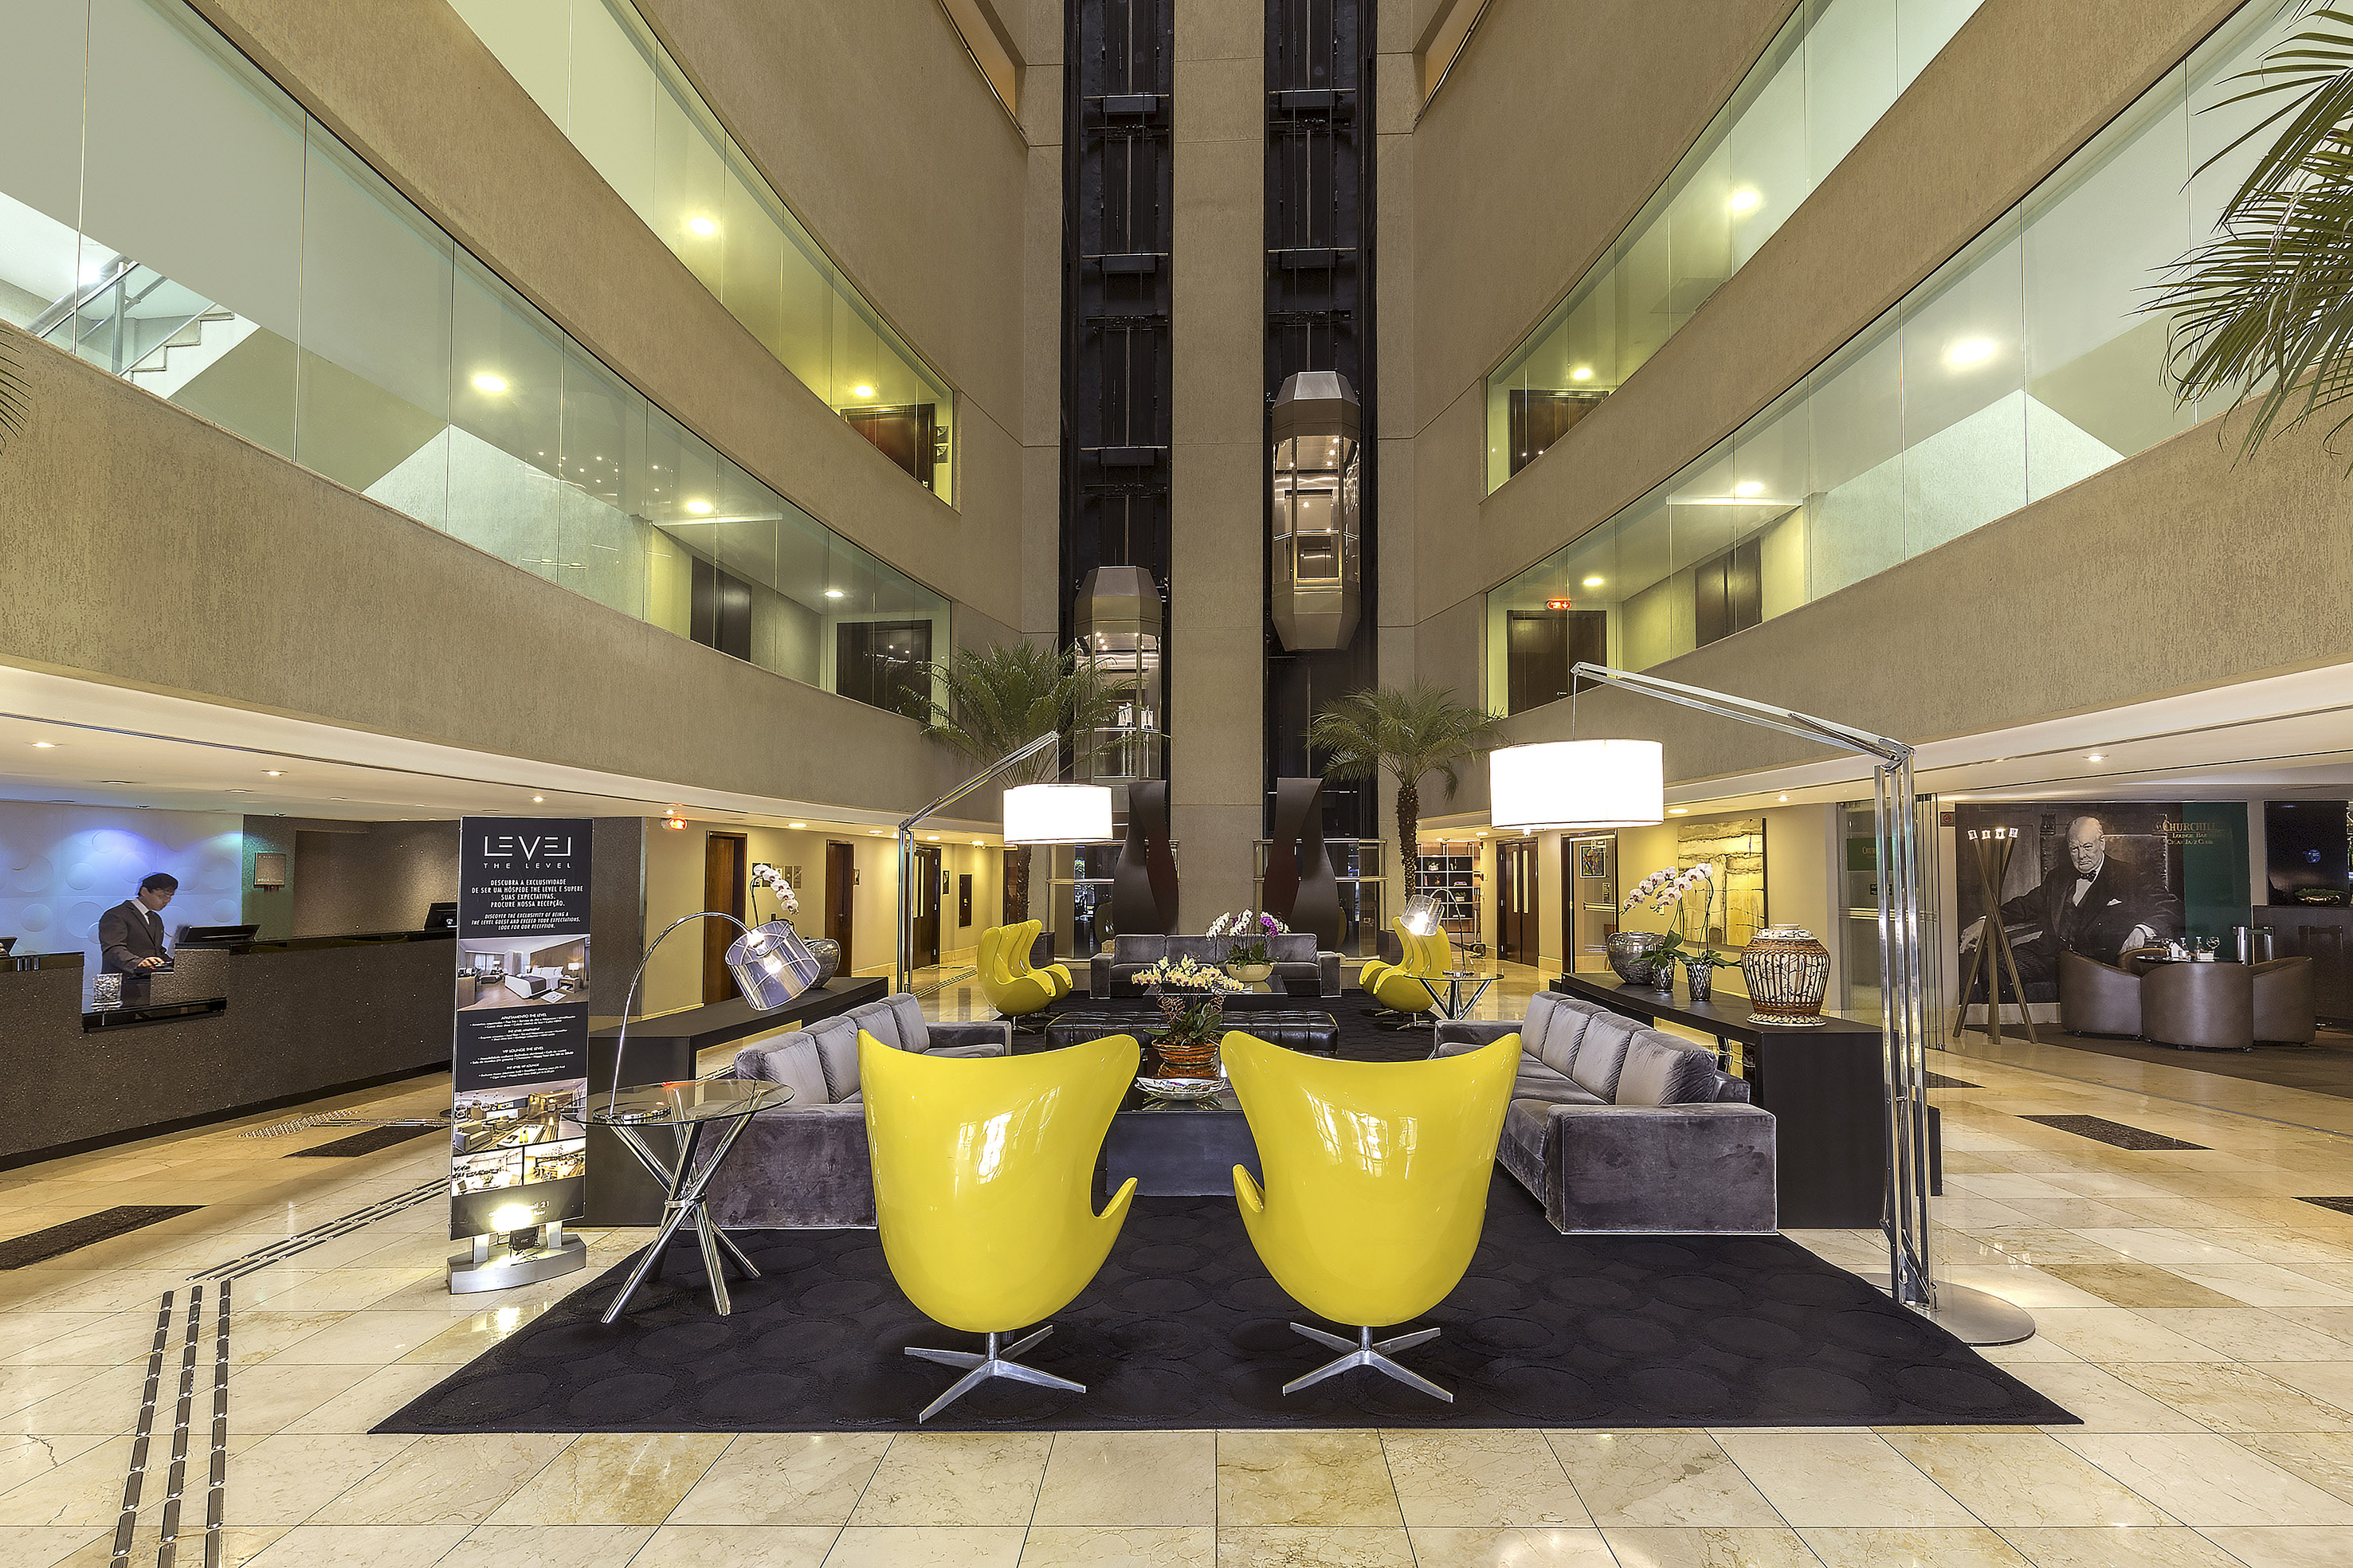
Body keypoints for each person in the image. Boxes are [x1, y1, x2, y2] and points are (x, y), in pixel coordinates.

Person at [1961, 816, 2177, 990]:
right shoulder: (2058, 877)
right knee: (1995, 967)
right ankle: (2012, 1034)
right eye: (2074, 849)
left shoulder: (2130, 875)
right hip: (2052, 954)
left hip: (2098, 961)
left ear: (2102, 843)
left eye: (2087, 847)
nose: (2081, 855)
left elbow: (2170, 906)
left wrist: (2143, 929)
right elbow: (2024, 906)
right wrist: (1986, 920)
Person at [98, 873, 177, 974]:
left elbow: (157, 951)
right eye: (162, 896)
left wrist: (176, 964)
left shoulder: (155, 918)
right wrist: (138, 962)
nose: (167, 901)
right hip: (125, 981)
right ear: (144, 891)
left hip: (151, 982)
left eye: (170, 897)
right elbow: (112, 949)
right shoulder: (116, 915)